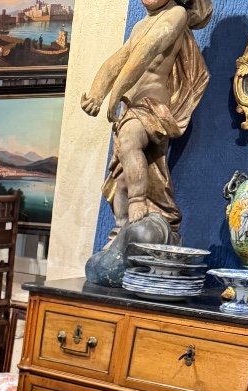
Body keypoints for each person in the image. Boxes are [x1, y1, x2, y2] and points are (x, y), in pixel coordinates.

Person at [81, 0, 212, 237]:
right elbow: (118, 60)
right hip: (130, 107)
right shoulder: (141, 24)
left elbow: (148, 50)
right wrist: (96, 95)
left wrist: (117, 91)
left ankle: (138, 202)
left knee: (130, 141)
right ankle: (121, 232)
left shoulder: (176, 14)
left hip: (151, 106)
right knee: (121, 179)